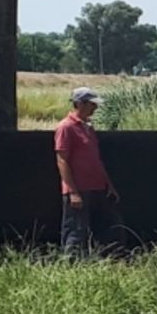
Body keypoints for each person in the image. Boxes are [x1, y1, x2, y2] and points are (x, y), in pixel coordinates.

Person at [54, 87, 125, 257]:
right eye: (91, 104)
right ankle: (71, 264)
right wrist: (72, 192)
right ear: (79, 104)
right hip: (79, 188)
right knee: (76, 230)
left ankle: (104, 259)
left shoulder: (88, 127)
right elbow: (62, 160)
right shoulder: (66, 127)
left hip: (97, 187)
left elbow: (95, 159)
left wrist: (108, 184)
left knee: (106, 227)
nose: (95, 108)